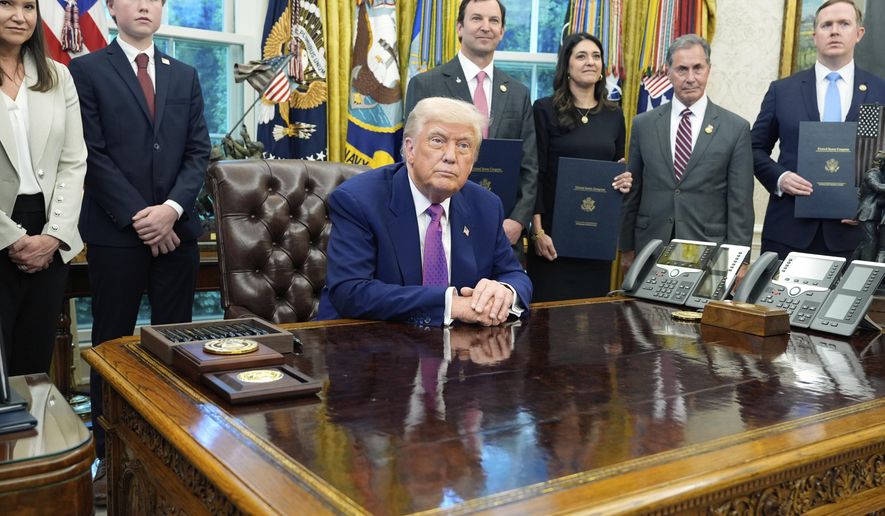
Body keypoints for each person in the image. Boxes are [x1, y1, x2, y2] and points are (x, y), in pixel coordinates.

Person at [68, 0, 211, 504]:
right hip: (115, 235)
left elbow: (198, 152)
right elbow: (91, 152)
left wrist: (170, 210)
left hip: (177, 233)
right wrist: (143, 218)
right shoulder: (84, 70)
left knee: (175, 349)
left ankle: (173, 451)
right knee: (111, 347)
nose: (146, 5)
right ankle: (108, 459)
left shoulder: (185, 74)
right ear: (112, 8)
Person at [318, 97, 531, 326]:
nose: (451, 156)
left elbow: (515, 275)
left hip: (459, 349)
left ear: (473, 162)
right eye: (438, 141)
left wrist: (504, 292)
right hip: (365, 345)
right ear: (410, 149)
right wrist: (451, 304)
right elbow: (351, 292)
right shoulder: (359, 200)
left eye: (463, 146)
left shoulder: (486, 206)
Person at [752, 0, 885, 260]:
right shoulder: (783, 91)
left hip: (855, 239)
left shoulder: (880, 92)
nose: (834, 31)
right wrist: (780, 179)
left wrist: (873, 204)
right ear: (814, 36)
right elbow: (753, 149)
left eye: (844, 24)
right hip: (788, 233)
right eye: (826, 25)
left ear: (859, 33)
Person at [405, 0, 538, 250]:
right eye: (477, 19)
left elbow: (529, 165)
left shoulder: (518, 93)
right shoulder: (426, 84)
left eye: (494, 21)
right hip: (439, 220)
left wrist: (518, 220)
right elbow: (409, 157)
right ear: (459, 28)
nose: (485, 27)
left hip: (502, 227)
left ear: (502, 32)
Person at [0, 0, 87, 376]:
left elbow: (73, 161)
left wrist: (53, 235)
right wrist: (10, 237)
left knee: (34, 363)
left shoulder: (57, 75)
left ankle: (32, 438)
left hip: (49, 228)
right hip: (3, 227)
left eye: (29, 6)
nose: (20, 16)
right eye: (6, 4)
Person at [620, 34, 754, 270]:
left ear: (708, 70)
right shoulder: (643, 124)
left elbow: (740, 203)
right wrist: (627, 248)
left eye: (697, 68)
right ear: (669, 72)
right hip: (650, 247)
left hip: (709, 250)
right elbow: (634, 192)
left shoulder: (736, 128)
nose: (690, 78)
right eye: (682, 69)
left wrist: (740, 262)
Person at [528, 33, 632, 302]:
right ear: (568, 66)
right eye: (581, 56)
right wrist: (538, 231)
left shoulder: (614, 114)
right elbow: (534, 174)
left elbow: (618, 168)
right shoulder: (544, 109)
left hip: (595, 241)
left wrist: (624, 180)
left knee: (591, 328)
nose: (590, 62)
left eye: (596, 56)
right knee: (547, 330)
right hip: (552, 241)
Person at [853, 151, 885, 261]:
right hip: (867, 214)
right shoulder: (872, 174)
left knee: (866, 242)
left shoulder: (880, 174)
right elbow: (877, 187)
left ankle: (850, 266)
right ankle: (865, 269)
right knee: (871, 242)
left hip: (874, 213)